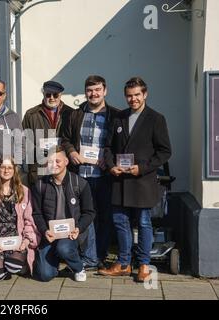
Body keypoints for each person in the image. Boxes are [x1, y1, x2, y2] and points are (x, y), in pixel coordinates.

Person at [98, 77, 171, 282]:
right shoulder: (119, 117)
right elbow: (108, 148)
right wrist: (111, 166)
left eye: (137, 95)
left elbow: (165, 152)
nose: (133, 99)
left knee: (144, 223)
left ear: (145, 94)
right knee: (120, 222)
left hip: (142, 181)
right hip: (120, 182)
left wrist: (142, 168)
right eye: (129, 96)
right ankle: (123, 263)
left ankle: (144, 265)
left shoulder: (156, 119)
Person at [61, 75, 120, 270]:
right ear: (85, 92)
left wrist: (109, 160)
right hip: (81, 175)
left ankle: (100, 255)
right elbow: (65, 138)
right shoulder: (75, 115)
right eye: (89, 90)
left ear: (105, 91)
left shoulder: (115, 115)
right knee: (83, 217)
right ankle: (87, 255)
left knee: (103, 217)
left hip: (103, 176)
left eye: (97, 90)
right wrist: (71, 152)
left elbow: (120, 144)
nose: (93, 94)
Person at [32, 146, 95, 282]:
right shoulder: (40, 185)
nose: (54, 165)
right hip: (50, 234)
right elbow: (36, 214)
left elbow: (89, 213)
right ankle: (54, 259)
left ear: (66, 161)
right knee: (44, 275)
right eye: (50, 162)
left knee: (64, 248)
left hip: (71, 233)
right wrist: (44, 231)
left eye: (57, 161)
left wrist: (79, 228)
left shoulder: (81, 183)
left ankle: (78, 267)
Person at [0, 156, 41, 281]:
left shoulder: (24, 192)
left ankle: (17, 263)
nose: (6, 170)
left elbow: (30, 220)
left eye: (10, 167)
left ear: (15, 170)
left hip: (18, 241)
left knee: (13, 266)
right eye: (3, 167)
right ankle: (3, 262)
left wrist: (26, 242)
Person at [22, 80, 73, 186]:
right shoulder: (31, 115)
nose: (52, 98)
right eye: (48, 94)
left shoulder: (71, 113)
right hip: (40, 170)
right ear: (43, 94)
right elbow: (25, 142)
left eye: (55, 95)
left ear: (60, 95)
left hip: (64, 169)